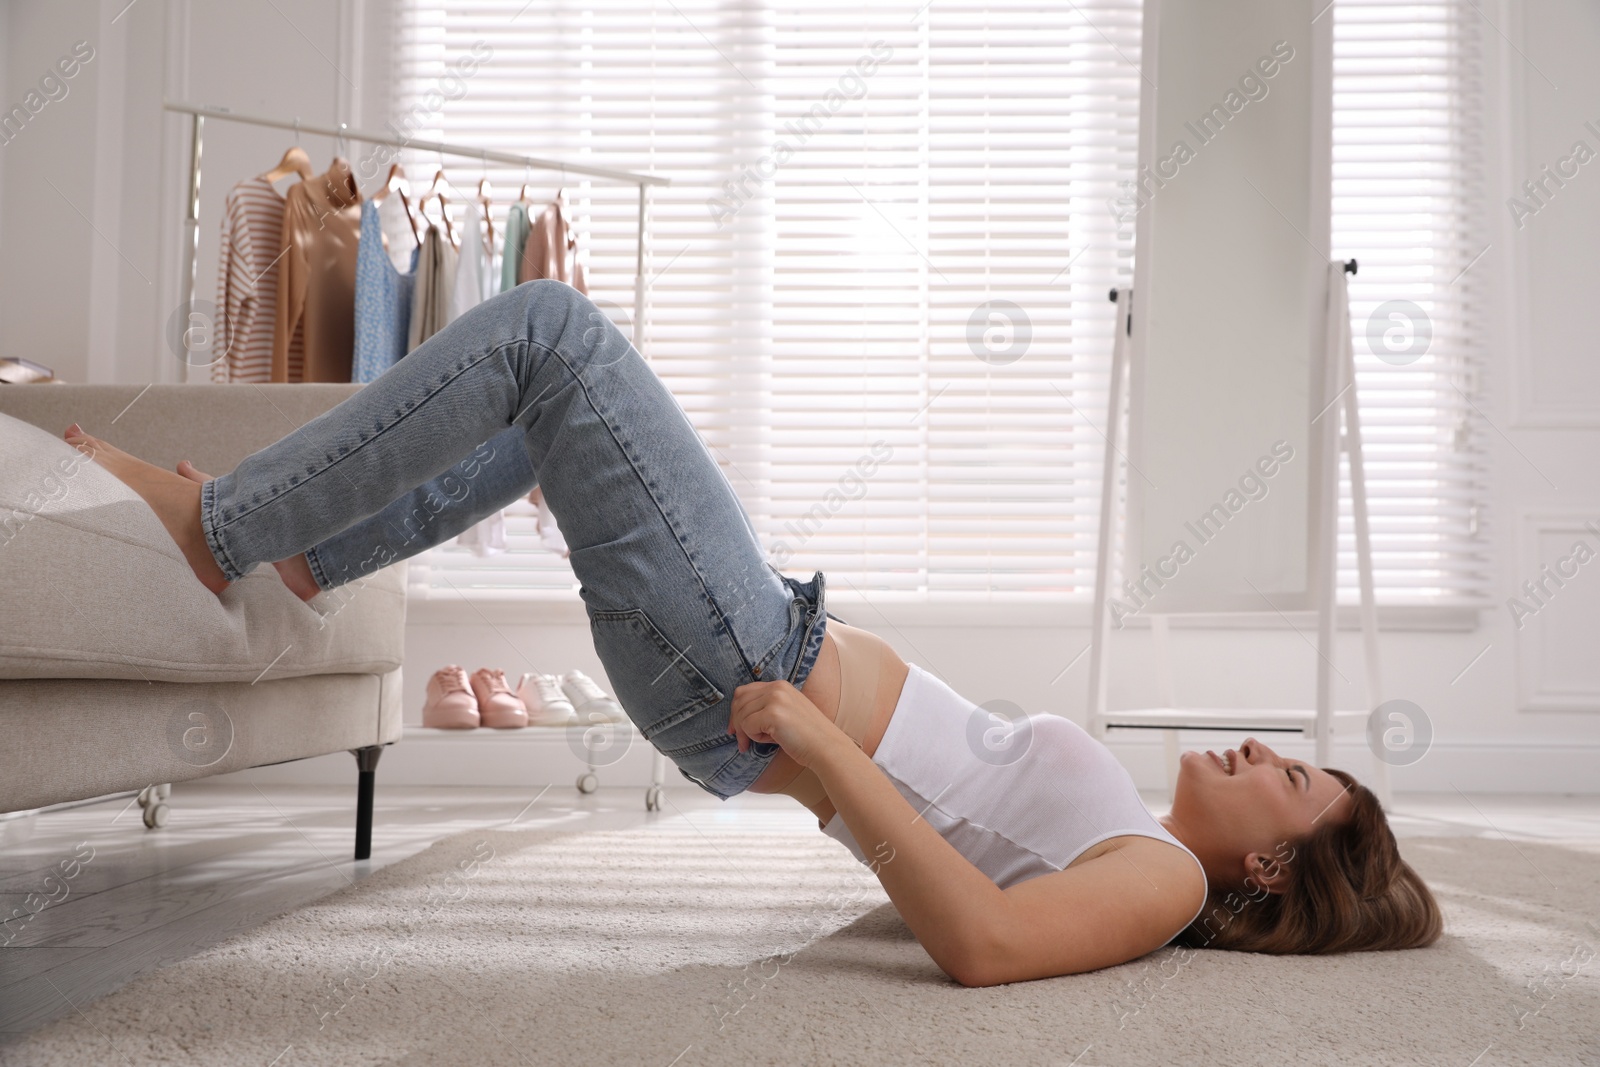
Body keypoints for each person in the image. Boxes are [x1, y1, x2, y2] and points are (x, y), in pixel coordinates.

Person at [63, 279, 1442, 986]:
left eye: (1294, 773)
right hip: (755, 654)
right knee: (541, 410)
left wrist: (819, 743)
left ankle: (227, 529)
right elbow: (975, 882)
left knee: (553, 334)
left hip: (755, 674)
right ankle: (308, 553)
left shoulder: (1170, 885)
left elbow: (990, 952)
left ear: (1270, 858)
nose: (1267, 746)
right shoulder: (1138, 846)